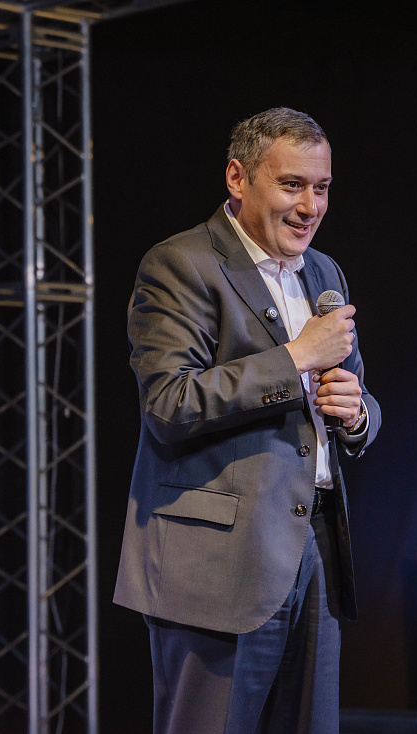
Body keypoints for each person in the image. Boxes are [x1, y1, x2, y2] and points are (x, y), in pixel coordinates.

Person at [114, 107, 381, 733]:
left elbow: (359, 396)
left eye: (321, 188)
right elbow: (169, 403)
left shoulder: (324, 272)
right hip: (218, 564)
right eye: (292, 185)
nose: (310, 207)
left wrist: (356, 415)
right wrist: (294, 359)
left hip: (314, 549)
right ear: (238, 178)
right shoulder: (181, 264)